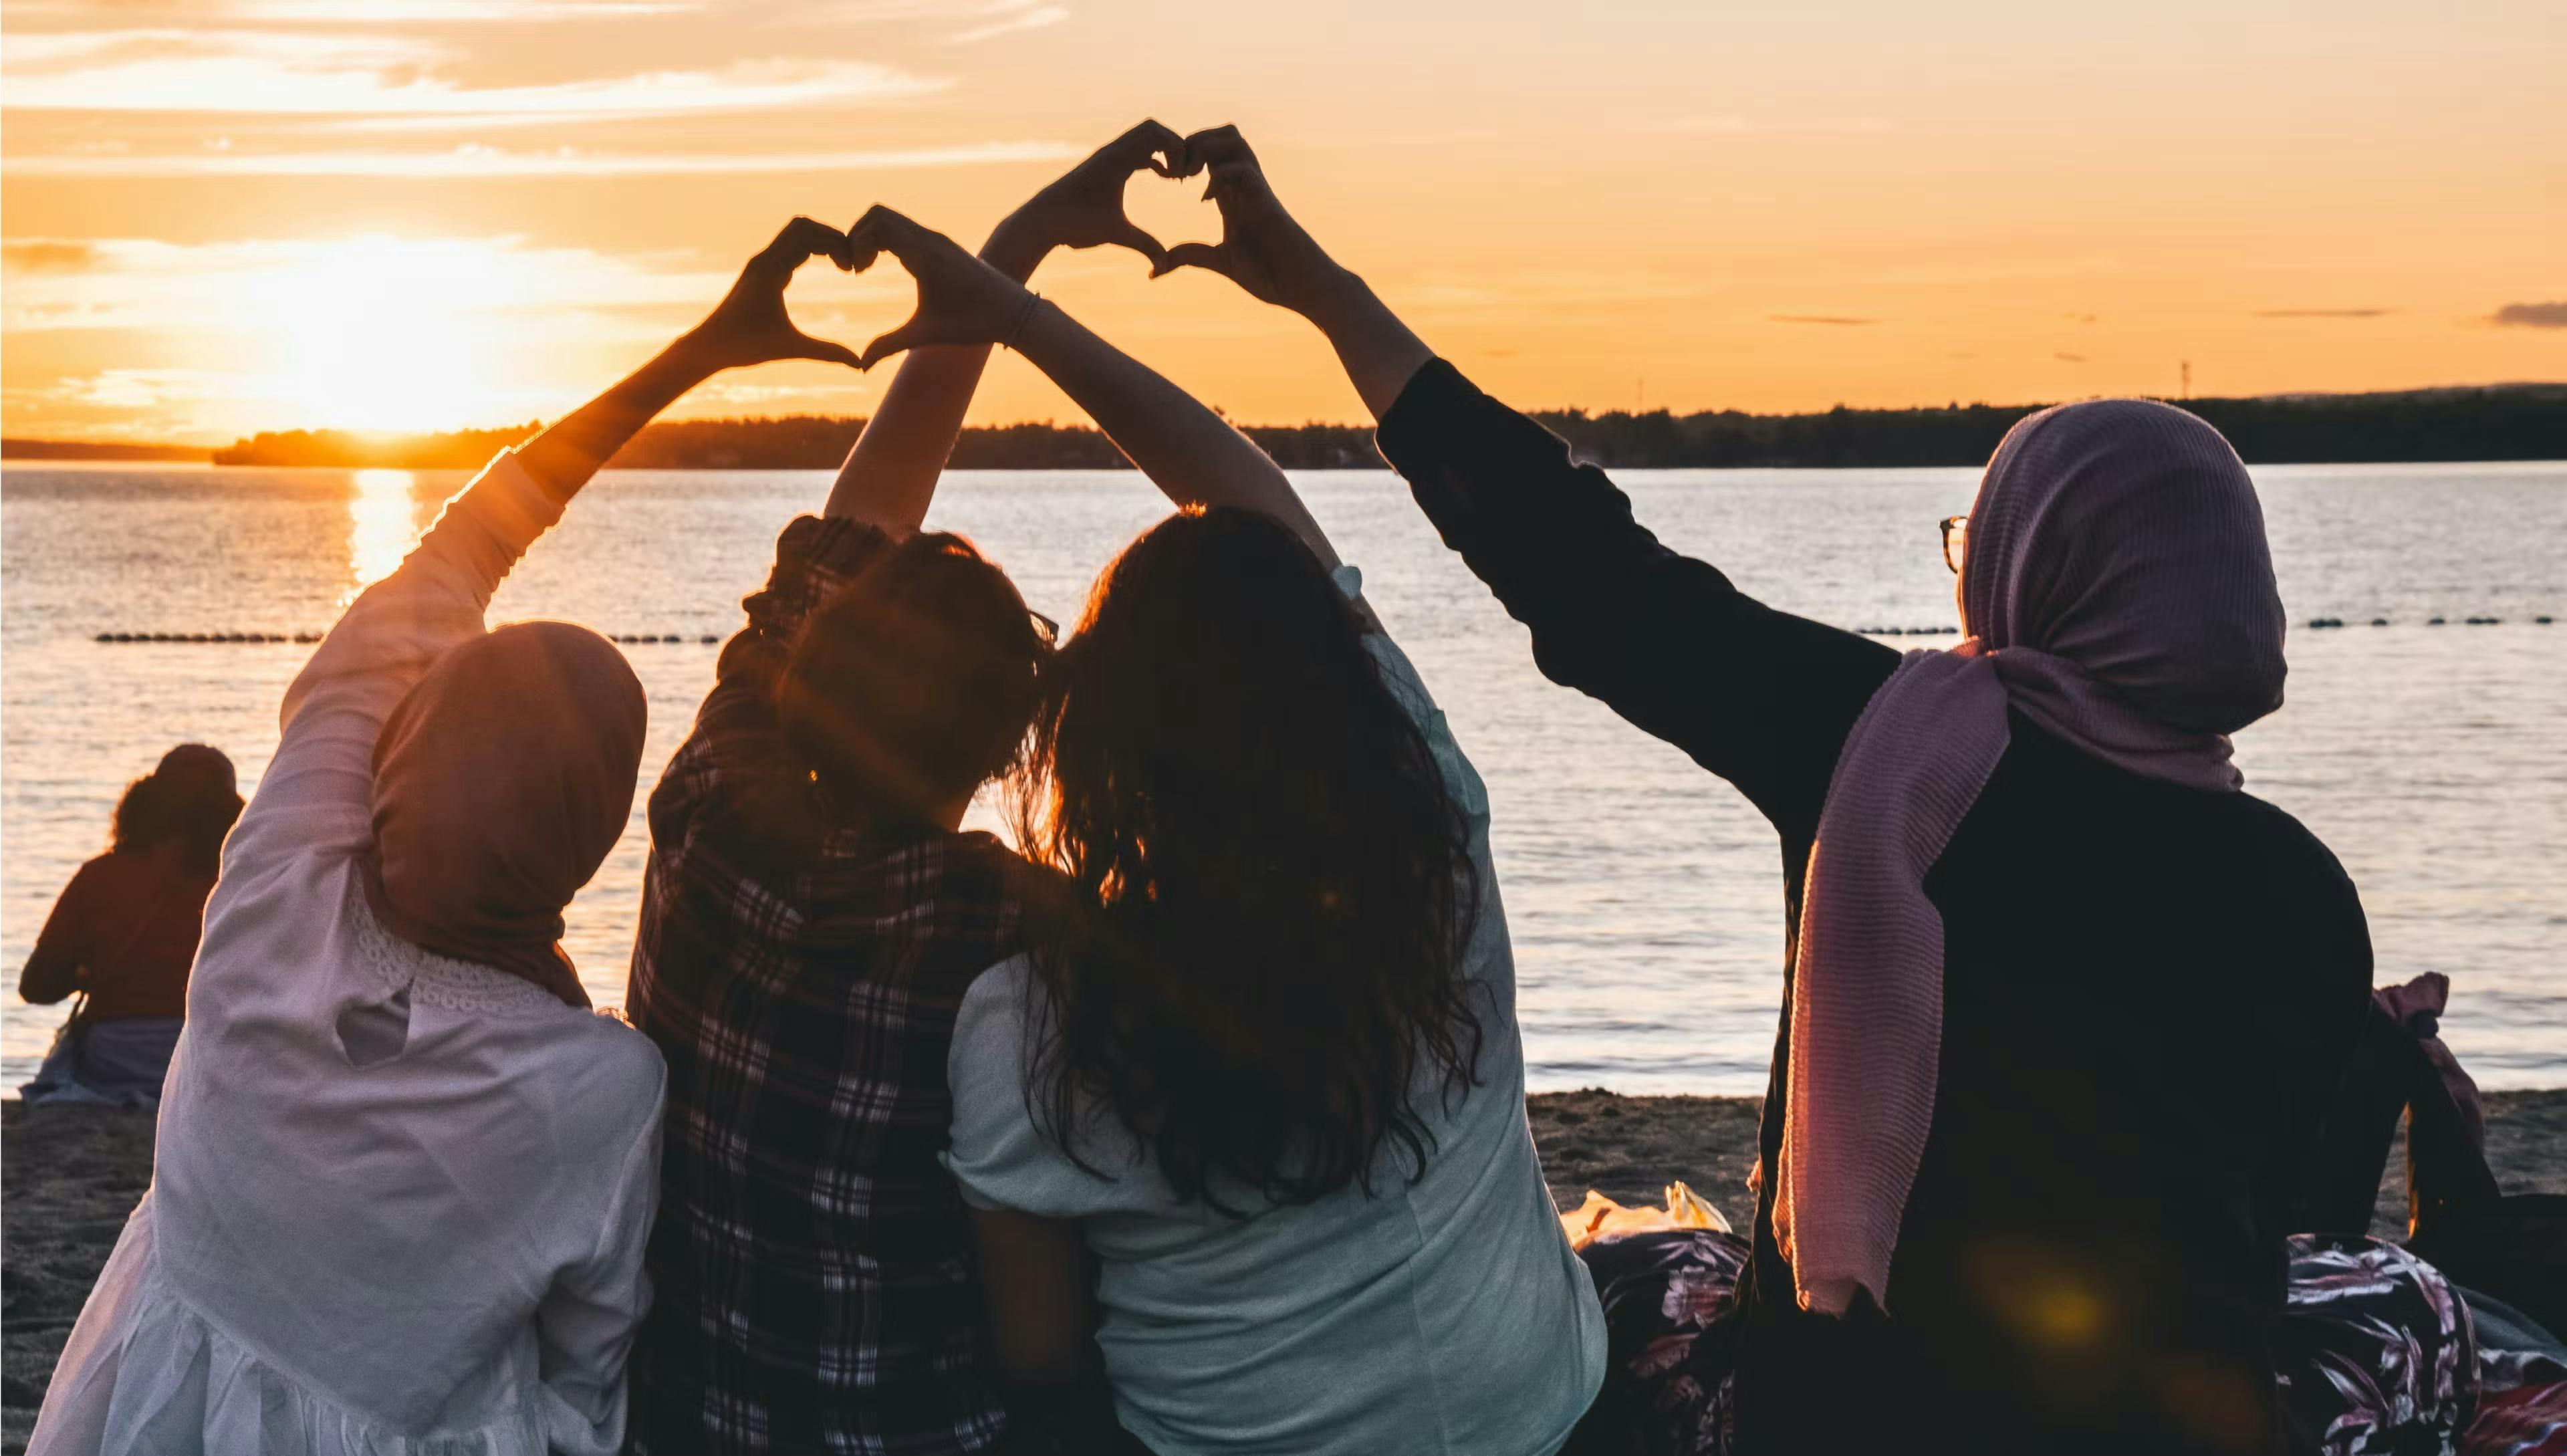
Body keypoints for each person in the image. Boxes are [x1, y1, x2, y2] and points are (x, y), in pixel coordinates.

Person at [1154, 128, 2379, 1453]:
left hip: (1860, 1414)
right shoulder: (2305, 891)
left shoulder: (1891, 753)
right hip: (2177, 1419)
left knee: (1627, 1292)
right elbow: (2292, 1214)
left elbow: (1579, 564)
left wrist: (1326, 295)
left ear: (2045, 569)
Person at [29, 220, 864, 1456]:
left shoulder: (277, 877)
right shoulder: (602, 1085)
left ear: (392, 759)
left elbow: (467, 542)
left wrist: (700, 349)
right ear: (583, 850)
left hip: (153, 1401)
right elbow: (590, 1365)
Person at [847, 197, 1609, 1456]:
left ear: (1096, 743)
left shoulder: (1030, 1020)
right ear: (1332, 694)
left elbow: (1042, 1361)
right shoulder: (1439, 848)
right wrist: (1029, 324)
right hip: (1548, 1424)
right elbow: (1264, 524)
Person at [620, 128, 1175, 1456]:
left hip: (687, 1421)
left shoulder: (708, 802)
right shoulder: (1017, 933)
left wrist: (1008, 255)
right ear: (1005, 747)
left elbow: (852, 522)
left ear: (811, 669)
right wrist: (1017, 267)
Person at [18, 744, 242, 1107]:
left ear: (148, 802)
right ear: (236, 811)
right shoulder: (244, 884)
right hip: (207, 1057)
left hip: (113, 1061)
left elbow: (36, 987)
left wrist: (86, 972)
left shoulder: (100, 876)